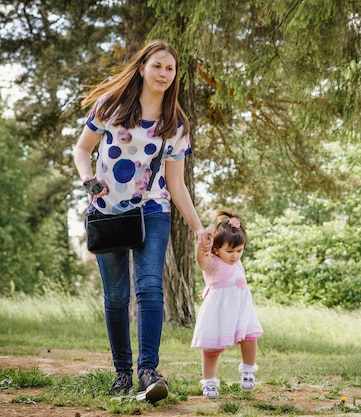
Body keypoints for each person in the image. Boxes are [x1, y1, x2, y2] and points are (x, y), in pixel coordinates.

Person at [73, 40, 206, 404]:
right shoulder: (111, 106)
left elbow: (176, 184)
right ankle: (121, 374)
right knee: (116, 297)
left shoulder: (175, 124)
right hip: (106, 211)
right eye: (158, 66)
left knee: (149, 287)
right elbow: (82, 149)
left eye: (170, 69)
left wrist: (197, 228)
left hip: (152, 208)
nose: (164, 74)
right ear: (143, 67)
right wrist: (88, 180)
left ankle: (149, 371)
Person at [191, 211, 263, 399]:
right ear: (216, 249)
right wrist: (202, 244)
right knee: (212, 348)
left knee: (250, 338)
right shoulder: (212, 262)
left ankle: (248, 372)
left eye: (239, 250)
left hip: (241, 309)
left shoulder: (237, 262)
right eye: (229, 251)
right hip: (219, 311)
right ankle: (209, 383)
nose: (234, 256)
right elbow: (202, 261)